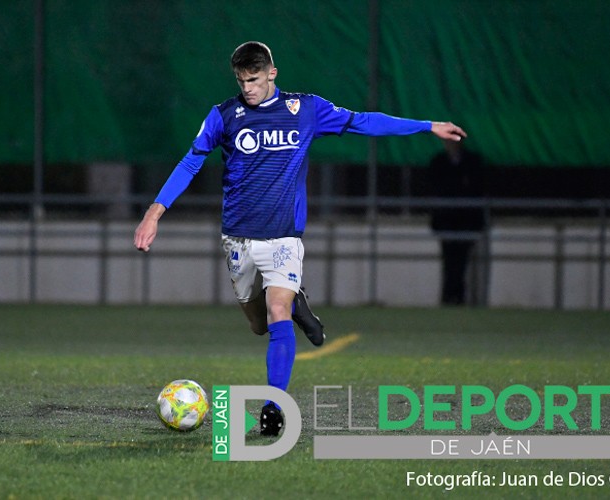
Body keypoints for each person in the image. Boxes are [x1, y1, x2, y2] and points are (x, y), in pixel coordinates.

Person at [134, 41, 467, 436]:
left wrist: (426, 126)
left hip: (283, 239)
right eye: (242, 81)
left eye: (255, 80)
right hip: (238, 239)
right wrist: (155, 212)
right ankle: (298, 304)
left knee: (277, 313)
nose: (249, 89)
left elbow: (363, 121)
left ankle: (274, 408)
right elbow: (191, 161)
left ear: (272, 73)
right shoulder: (224, 115)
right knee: (258, 324)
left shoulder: (305, 110)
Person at [429, 139, 486, 305]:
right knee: (449, 260)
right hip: (446, 220)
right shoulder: (439, 162)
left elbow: (477, 189)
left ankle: (457, 298)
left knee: (461, 262)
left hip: (466, 221)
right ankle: (448, 298)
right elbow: (435, 189)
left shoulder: (472, 162)